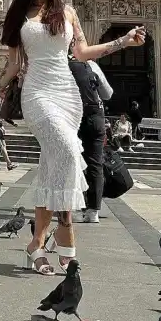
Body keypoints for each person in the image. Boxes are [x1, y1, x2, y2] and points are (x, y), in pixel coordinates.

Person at [0, 0, 146, 276]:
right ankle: (66, 231)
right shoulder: (19, 15)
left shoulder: (67, 12)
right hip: (38, 93)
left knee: (53, 166)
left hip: (68, 95)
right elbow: (13, 65)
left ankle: (37, 243)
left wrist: (123, 41)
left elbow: (81, 53)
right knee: (68, 152)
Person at [68, 56, 107, 224]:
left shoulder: (64, 65)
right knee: (95, 164)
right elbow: (107, 94)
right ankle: (93, 211)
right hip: (96, 118)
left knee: (74, 161)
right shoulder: (92, 66)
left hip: (75, 117)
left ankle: (75, 208)